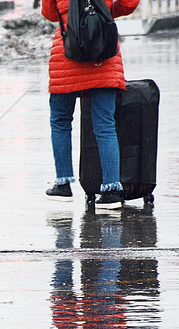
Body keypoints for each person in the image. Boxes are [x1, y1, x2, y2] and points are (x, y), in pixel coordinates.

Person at [41, 0, 138, 209]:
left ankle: (63, 184)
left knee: (60, 121)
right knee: (105, 125)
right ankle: (111, 190)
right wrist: (107, 10)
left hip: (68, 55)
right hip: (103, 53)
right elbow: (129, 4)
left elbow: (49, 13)